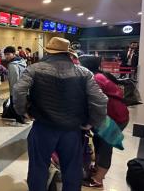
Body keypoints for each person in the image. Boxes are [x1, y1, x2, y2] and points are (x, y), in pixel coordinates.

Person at [13, 37, 108, 191]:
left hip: (43, 127)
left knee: (38, 168)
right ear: (68, 53)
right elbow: (101, 100)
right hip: (72, 130)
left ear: (48, 51)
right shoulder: (84, 72)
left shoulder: (34, 69)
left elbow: (18, 90)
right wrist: (92, 122)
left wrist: (24, 111)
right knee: (72, 169)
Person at [79, 56, 130, 189]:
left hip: (114, 117)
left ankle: (98, 180)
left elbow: (96, 101)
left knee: (105, 147)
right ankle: (97, 170)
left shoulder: (95, 79)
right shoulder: (99, 75)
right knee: (99, 142)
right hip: (114, 115)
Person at [4, 46, 27, 125]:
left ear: (13, 54)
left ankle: (19, 122)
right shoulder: (22, 61)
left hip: (16, 89)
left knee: (16, 106)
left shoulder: (12, 65)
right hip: (23, 88)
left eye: (8, 54)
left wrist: (13, 92)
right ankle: (22, 119)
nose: (6, 56)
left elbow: (14, 80)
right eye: (5, 54)